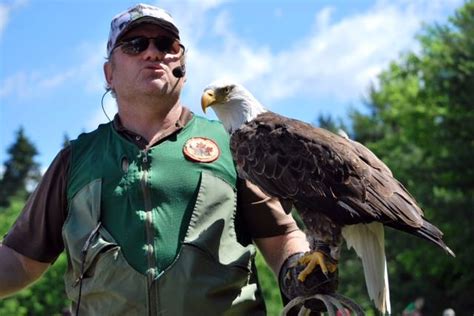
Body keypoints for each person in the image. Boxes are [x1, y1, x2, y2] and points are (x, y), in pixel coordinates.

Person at [0, 3, 332, 315]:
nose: (153, 52)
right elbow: (19, 259)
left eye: (166, 44)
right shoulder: (76, 160)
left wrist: (299, 270)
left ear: (182, 69)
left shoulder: (233, 145)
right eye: (134, 44)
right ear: (109, 73)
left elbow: (281, 237)